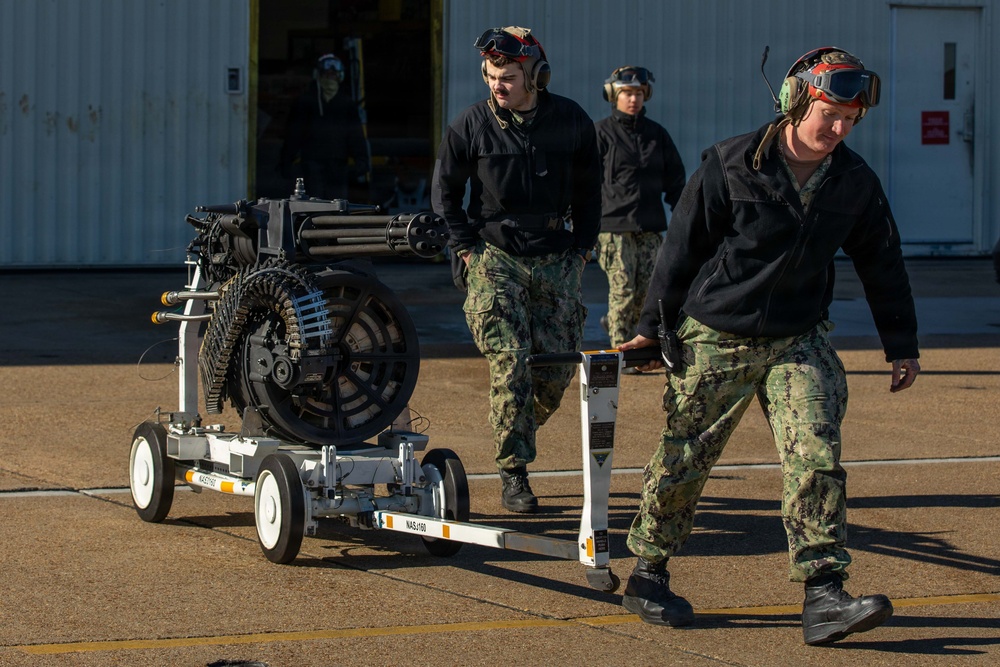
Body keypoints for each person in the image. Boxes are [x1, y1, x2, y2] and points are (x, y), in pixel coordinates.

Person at [617, 47, 921, 645]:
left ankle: (824, 592)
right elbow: (681, 248)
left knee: (815, 452)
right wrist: (653, 327)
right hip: (717, 334)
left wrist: (901, 344)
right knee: (685, 456)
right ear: (796, 101)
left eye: (851, 120)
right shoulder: (731, 164)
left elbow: (881, 260)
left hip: (797, 336)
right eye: (830, 114)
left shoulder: (854, 181)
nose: (839, 129)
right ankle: (648, 574)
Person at [431, 26, 601, 513]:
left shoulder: (571, 121)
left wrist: (582, 250)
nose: (496, 86)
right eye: (490, 76)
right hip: (495, 257)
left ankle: (519, 430)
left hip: (557, 257)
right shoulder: (471, 124)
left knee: (554, 372)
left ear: (536, 75)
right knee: (511, 363)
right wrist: (467, 250)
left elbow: (591, 193)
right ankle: (514, 473)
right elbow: (445, 195)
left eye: (506, 77)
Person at [595, 66, 686, 364]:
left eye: (638, 93)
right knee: (623, 289)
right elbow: (583, 183)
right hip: (612, 229)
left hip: (649, 227)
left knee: (648, 293)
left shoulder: (657, 135)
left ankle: (631, 340)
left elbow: (675, 181)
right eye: (626, 93)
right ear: (613, 95)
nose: (633, 99)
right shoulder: (600, 134)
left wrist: (686, 219)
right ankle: (620, 356)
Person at [279, 53, 370, 200]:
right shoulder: (305, 101)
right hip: (312, 165)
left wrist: (362, 160)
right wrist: (286, 160)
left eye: (334, 75)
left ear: (340, 77)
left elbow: (355, 134)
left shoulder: (346, 104)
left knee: (337, 207)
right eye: (327, 74)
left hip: (338, 165)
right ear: (318, 75)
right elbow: (294, 134)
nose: (330, 78)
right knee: (314, 205)